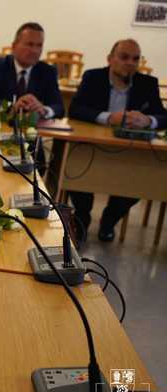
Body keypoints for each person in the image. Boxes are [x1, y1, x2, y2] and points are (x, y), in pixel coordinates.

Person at [67, 39, 167, 242]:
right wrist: (107, 117)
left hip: (131, 152)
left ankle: (109, 219)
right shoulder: (93, 77)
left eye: (135, 58)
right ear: (110, 59)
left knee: (141, 180)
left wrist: (148, 120)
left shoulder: (148, 84)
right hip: (91, 147)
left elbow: (163, 116)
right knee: (75, 170)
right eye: (124, 57)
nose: (130, 62)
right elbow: (75, 109)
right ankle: (82, 218)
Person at [0, 22, 64, 119]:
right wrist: (11, 107)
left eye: (39, 45)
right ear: (14, 46)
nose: (35, 50)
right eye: (29, 44)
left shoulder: (48, 71)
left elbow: (59, 107)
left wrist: (43, 109)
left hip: (33, 130)